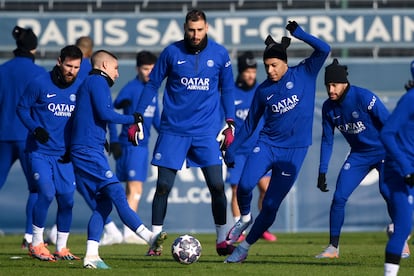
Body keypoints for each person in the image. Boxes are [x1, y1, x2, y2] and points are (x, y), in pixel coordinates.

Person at [127, 9, 236, 256]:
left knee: (218, 186)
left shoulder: (219, 54)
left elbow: (228, 89)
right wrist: (138, 115)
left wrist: (230, 122)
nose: (195, 34)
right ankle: (155, 243)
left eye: (199, 30)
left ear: (206, 28)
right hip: (173, 131)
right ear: (184, 29)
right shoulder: (171, 52)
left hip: (205, 131)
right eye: (191, 30)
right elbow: (152, 84)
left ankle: (221, 240)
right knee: (163, 187)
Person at [222, 21, 331, 263]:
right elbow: (249, 125)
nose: (269, 70)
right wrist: (232, 151)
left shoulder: (305, 72)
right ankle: (244, 219)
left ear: (284, 62)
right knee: (245, 185)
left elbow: (324, 49)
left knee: (271, 206)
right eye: (266, 66)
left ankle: (244, 248)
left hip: (294, 152)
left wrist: (300, 34)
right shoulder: (263, 91)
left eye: (273, 65)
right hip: (268, 144)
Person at [70, 49, 167, 269]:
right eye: (115, 68)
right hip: (87, 151)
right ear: (104, 66)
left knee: (103, 204)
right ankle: (149, 237)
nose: (117, 74)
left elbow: (86, 116)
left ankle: (91, 256)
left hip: (90, 149)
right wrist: (132, 118)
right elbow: (106, 114)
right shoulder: (97, 82)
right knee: (116, 193)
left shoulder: (92, 83)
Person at [313, 59, 405, 259]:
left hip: (383, 152)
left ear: (344, 83)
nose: (330, 89)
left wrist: (399, 154)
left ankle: (401, 237)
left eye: (334, 85)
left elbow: (389, 125)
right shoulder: (328, 108)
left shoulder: (364, 97)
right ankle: (333, 248)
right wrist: (322, 170)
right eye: (327, 85)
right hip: (359, 155)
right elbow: (327, 141)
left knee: (387, 191)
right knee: (338, 198)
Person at [46, 35, 124, 247]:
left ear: (86, 56)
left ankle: (107, 227)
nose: (73, 67)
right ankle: (60, 231)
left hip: (75, 143)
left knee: (77, 186)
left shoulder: (87, 80)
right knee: (71, 186)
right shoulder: (86, 79)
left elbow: (103, 111)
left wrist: (109, 137)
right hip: (76, 141)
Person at [16, 45, 84, 261]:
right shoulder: (40, 83)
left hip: (64, 155)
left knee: (67, 200)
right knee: (45, 193)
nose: (72, 70)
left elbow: (87, 117)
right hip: (39, 151)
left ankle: (61, 247)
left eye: (76, 67)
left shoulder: (80, 87)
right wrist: (34, 128)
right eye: (68, 65)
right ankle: (36, 243)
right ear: (59, 61)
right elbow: (22, 108)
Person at [0, 26, 47, 249]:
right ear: (34, 49)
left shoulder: (3, 70)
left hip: (2, 135)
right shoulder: (39, 74)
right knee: (37, 188)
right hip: (28, 136)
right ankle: (29, 237)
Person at [109, 50, 160, 244]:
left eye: (152, 69)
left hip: (142, 146)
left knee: (131, 189)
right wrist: (114, 139)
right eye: (146, 69)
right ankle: (129, 232)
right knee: (134, 187)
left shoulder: (153, 90)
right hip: (130, 145)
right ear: (138, 68)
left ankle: (124, 230)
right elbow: (114, 106)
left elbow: (157, 120)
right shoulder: (131, 88)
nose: (149, 72)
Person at [226, 51, 276, 242]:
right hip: (238, 151)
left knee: (267, 189)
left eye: (253, 71)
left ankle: (261, 227)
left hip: (258, 149)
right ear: (240, 72)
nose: (251, 75)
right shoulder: (231, 92)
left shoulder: (262, 90)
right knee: (237, 190)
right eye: (247, 71)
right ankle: (239, 229)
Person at [381, 70, 414, 276]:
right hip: (401, 170)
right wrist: (406, 167)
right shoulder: (410, 99)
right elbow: (386, 133)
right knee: (402, 227)